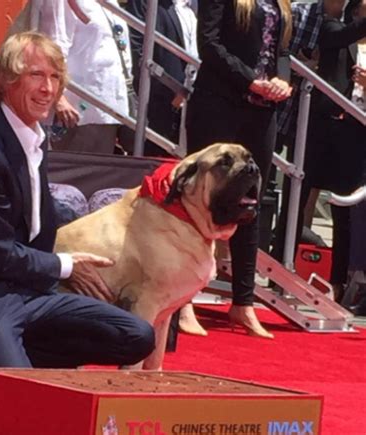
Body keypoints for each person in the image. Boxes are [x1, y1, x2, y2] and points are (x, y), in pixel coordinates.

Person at [0, 31, 155, 399]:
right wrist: (66, 265)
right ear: (6, 81)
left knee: (137, 336)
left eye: (55, 77)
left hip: (28, 293)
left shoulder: (33, 137)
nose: (48, 88)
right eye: (36, 75)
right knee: (26, 405)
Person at [185, 0, 293, 338]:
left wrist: (282, 83)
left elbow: (282, 52)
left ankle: (243, 302)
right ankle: (184, 300)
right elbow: (210, 45)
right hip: (219, 104)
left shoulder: (281, 3)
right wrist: (251, 80)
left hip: (262, 113)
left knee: (251, 203)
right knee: (198, 198)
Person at [289, 0, 366, 301]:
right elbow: (337, 37)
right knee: (301, 194)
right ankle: (286, 264)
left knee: (344, 209)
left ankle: (339, 280)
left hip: (355, 136)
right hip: (325, 129)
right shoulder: (336, 31)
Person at [39, 0, 133, 153]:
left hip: (109, 108)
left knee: (102, 171)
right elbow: (53, 45)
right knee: (76, 171)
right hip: (79, 110)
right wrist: (58, 98)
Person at [126, 0, 198, 156]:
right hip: (157, 103)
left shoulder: (193, 8)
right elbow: (137, 48)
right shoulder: (149, 4)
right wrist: (170, 92)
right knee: (152, 163)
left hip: (188, 104)